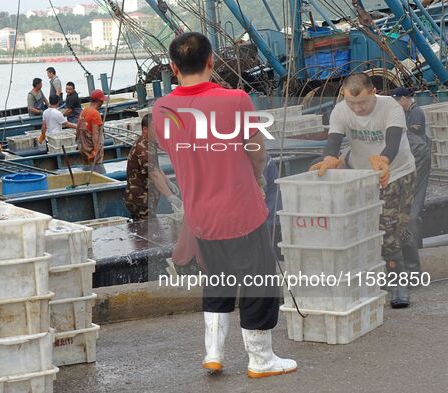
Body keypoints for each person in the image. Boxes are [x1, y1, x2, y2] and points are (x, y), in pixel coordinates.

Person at [152, 32, 296, 379]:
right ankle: (260, 359)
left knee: (217, 282)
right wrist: (259, 180)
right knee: (257, 283)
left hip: (200, 215)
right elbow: (256, 151)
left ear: (173, 68)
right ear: (211, 61)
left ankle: (213, 353)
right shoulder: (236, 100)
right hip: (241, 210)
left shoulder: (161, 109)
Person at [310, 73, 416, 308]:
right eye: (351, 103)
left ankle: (398, 282)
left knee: (389, 227)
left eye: (362, 103)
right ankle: (404, 264)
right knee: (368, 226)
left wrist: (384, 160)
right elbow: (334, 140)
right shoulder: (340, 110)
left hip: (396, 172)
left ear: (373, 92)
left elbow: (393, 141)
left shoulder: (391, 107)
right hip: (360, 174)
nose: (357, 109)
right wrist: (329, 159)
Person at [391, 86, 431, 275]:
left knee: (411, 213)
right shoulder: (407, 113)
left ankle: (413, 265)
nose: (398, 105)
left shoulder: (416, 113)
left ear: (406, 99)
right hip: (412, 158)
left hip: (418, 159)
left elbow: (412, 138)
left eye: (399, 101)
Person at [123, 114, 183, 220]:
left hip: (147, 198)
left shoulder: (150, 144)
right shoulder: (142, 148)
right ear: (145, 129)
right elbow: (154, 174)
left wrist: (167, 181)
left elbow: (156, 166)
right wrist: (170, 196)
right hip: (140, 200)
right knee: (145, 230)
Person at [76, 89, 106, 166]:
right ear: (100, 101)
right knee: (97, 169)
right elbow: (95, 134)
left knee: (87, 167)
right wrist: (96, 150)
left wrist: (78, 144)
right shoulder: (95, 114)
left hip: (83, 148)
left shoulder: (84, 111)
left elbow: (78, 129)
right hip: (91, 149)